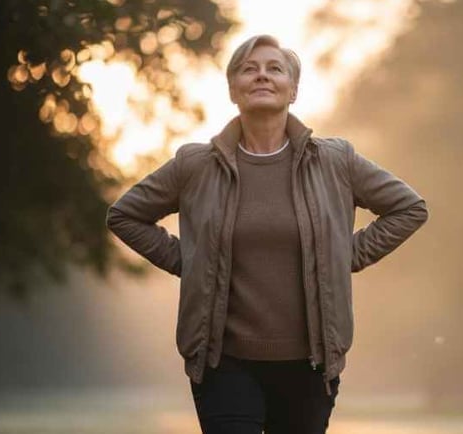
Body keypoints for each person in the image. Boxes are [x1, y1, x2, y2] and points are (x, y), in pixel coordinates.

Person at [106, 34, 429, 433]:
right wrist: (189, 260)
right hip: (223, 363)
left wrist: (345, 255)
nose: (262, 75)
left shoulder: (335, 161)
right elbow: (125, 215)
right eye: (249, 69)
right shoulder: (196, 164)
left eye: (275, 68)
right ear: (232, 90)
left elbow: (409, 208)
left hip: (309, 366)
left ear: (293, 90)